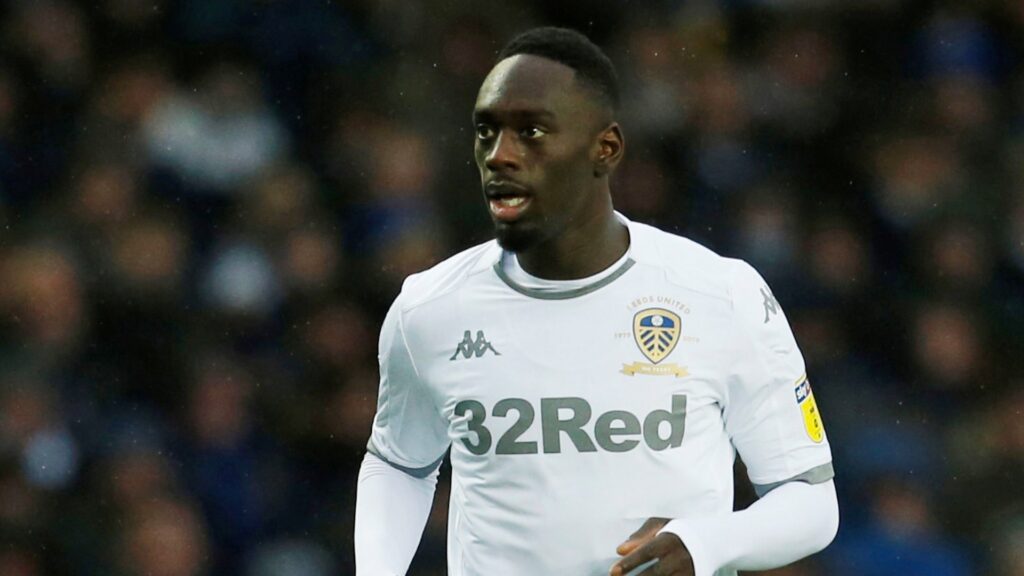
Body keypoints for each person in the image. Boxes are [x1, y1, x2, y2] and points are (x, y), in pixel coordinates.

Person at [354, 27, 839, 576]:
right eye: (486, 132)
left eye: (531, 132)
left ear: (604, 150)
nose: (499, 155)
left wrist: (708, 543)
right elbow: (399, 464)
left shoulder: (722, 295)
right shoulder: (429, 310)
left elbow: (811, 502)